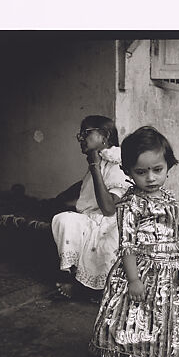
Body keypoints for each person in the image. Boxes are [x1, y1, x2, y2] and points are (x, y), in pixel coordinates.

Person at [89, 126, 179, 357]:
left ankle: (165, 355)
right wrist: (134, 279)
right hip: (142, 268)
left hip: (170, 268)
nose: (150, 178)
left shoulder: (168, 198)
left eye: (157, 170)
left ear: (168, 166)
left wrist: (178, 247)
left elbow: (170, 229)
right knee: (137, 317)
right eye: (141, 172)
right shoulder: (130, 204)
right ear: (128, 172)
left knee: (168, 313)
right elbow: (127, 245)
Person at [51, 116, 129, 300]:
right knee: (64, 219)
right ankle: (75, 278)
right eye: (80, 134)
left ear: (104, 136)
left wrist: (94, 166)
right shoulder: (99, 161)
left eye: (86, 133)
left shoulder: (119, 163)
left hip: (113, 219)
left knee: (108, 239)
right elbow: (88, 200)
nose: (80, 138)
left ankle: (87, 288)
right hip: (94, 217)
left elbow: (109, 209)